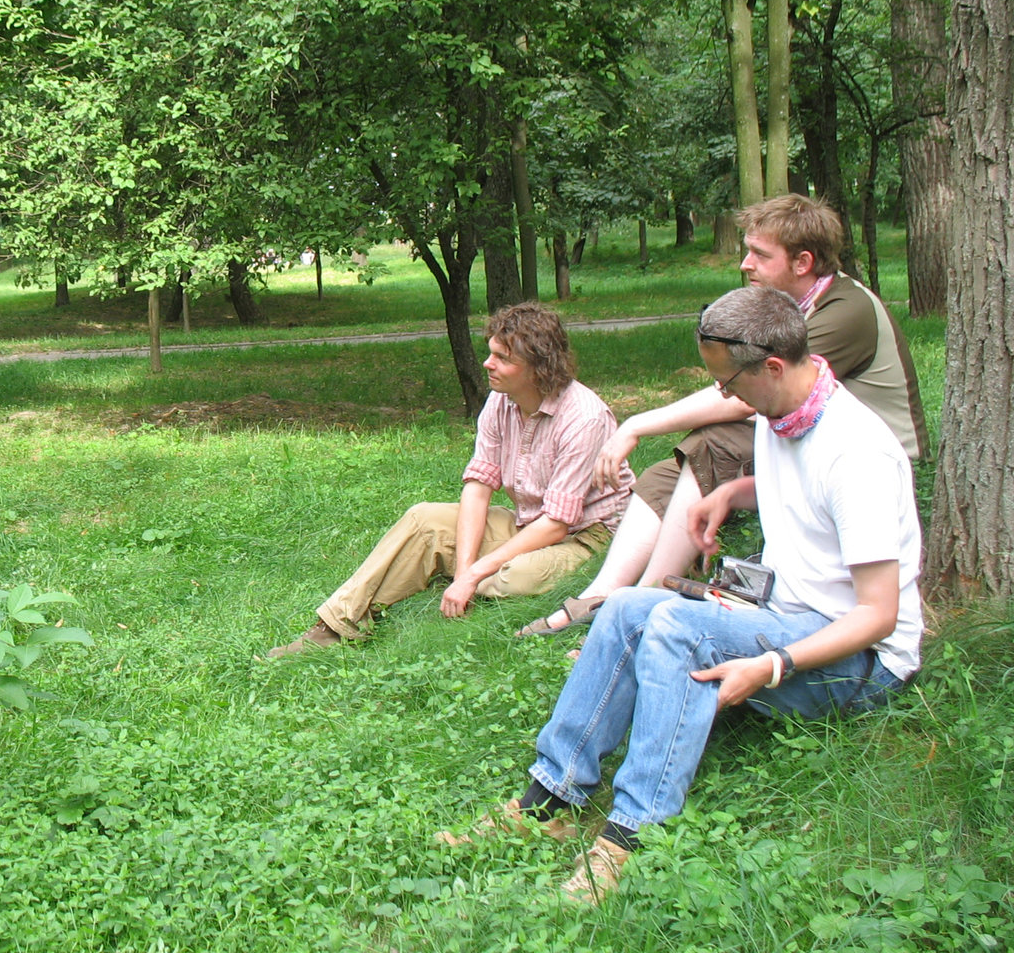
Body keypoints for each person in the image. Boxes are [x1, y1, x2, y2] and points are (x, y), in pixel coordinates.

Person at [449, 286, 921, 902]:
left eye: (729, 384)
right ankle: (549, 799)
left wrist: (774, 663)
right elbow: (808, 490)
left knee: (675, 627)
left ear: (773, 367)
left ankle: (632, 835)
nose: (723, 396)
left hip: (863, 664)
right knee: (622, 607)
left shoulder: (856, 453)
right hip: (788, 614)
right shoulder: (787, 413)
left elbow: (879, 615)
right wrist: (736, 491)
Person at [519, 194, 928, 637]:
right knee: (663, 475)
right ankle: (602, 598)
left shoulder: (846, 311)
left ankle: (643, 606)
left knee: (710, 443)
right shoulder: (798, 307)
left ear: (803, 261)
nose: (745, 264)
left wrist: (636, 424)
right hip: (802, 441)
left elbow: (746, 395)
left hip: (865, 463)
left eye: (760, 254)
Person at [267, 303, 634, 658]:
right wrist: (463, 573)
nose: (488, 364)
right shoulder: (500, 401)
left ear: (539, 368)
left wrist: (473, 573)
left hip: (588, 536)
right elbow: (478, 488)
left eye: (503, 358)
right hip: (528, 522)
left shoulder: (583, 418)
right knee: (424, 518)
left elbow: (557, 525)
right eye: (490, 352)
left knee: (510, 579)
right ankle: (336, 626)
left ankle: (463, 573)